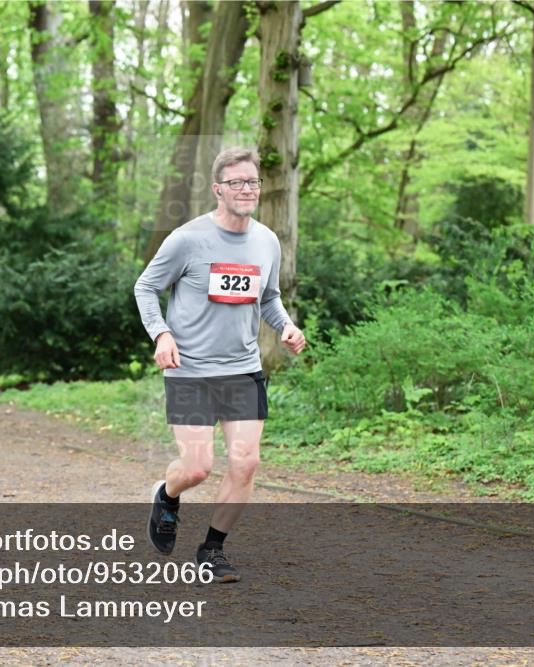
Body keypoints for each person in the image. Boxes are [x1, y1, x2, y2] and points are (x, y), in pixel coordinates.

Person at [134, 147, 306, 583]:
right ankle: (167, 494)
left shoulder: (267, 241)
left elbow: (268, 297)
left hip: (242, 368)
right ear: (217, 189)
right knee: (196, 468)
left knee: (246, 462)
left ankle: (212, 550)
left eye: (253, 182)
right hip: (190, 370)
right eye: (236, 183)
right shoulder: (188, 239)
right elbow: (145, 287)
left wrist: (285, 326)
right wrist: (162, 334)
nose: (247, 189)